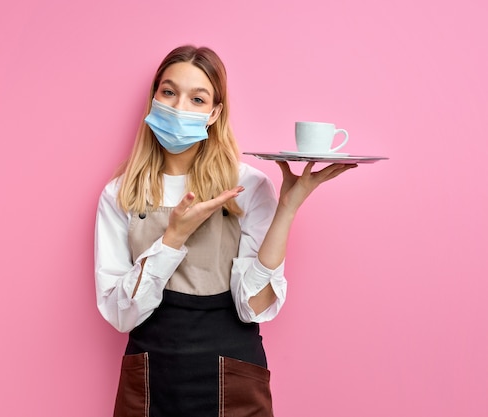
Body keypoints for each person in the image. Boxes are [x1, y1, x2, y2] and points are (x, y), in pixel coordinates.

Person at [94, 45, 356, 417]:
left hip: (231, 374)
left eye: (197, 99)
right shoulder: (119, 195)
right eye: (169, 92)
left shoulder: (247, 186)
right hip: (150, 378)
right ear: (154, 98)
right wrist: (173, 238)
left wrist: (287, 208)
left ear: (215, 113)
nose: (179, 107)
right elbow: (121, 315)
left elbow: (255, 306)